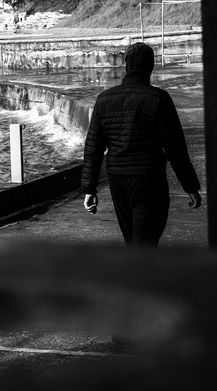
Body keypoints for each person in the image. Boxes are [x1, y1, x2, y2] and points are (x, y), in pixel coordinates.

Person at [81, 42, 202, 247]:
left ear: (126, 66)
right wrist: (190, 186)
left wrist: (89, 189)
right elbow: (175, 149)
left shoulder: (104, 100)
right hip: (149, 181)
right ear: (151, 67)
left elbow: (93, 148)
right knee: (145, 245)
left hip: (118, 181)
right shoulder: (159, 98)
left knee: (133, 243)